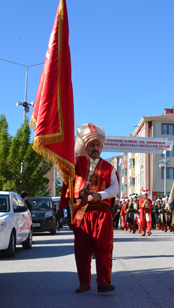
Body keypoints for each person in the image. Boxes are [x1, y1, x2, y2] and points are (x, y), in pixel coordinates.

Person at [60, 123, 119, 294]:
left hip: (102, 211)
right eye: (91, 145)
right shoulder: (76, 163)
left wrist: (100, 195)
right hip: (81, 211)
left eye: (97, 145)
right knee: (81, 249)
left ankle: (103, 282)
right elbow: (64, 168)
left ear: (102, 147)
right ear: (86, 147)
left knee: (104, 248)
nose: (95, 148)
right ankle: (84, 282)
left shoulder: (110, 168)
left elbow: (115, 189)